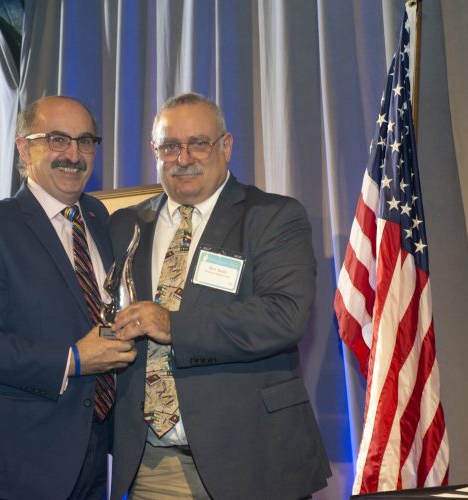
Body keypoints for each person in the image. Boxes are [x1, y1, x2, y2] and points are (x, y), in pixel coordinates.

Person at [108, 93, 331, 499]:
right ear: (154, 151)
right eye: (170, 146)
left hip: (253, 459)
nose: (183, 158)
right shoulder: (126, 224)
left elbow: (284, 315)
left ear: (225, 147)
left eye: (198, 143)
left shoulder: (273, 217)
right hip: (154, 465)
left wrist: (173, 325)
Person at [0, 95, 136, 499]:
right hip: (17, 467)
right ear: (23, 147)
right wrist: (73, 359)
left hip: (94, 457)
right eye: (57, 139)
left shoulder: (100, 219)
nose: (74, 155)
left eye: (85, 141)